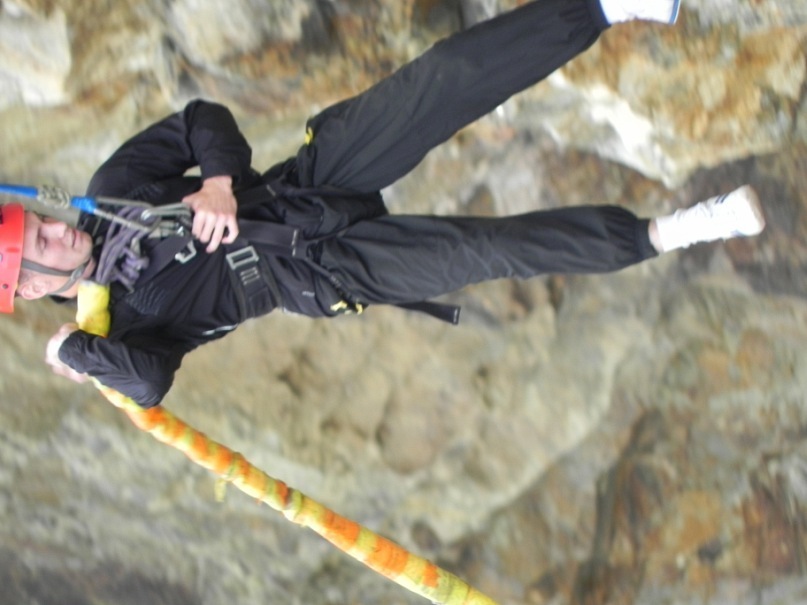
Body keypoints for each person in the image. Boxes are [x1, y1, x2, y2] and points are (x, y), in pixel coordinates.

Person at [0, 0, 764, 407]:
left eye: (40, 221)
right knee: (483, 251)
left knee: (440, 80)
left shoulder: (111, 189)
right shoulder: (116, 330)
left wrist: (220, 180)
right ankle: (675, 230)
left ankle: (603, 6)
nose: (55, 231)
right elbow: (149, 385)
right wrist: (75, 352)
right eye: (40, 244)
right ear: (31, 286)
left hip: (300, 183)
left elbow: (201, 119)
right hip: (320, 271)